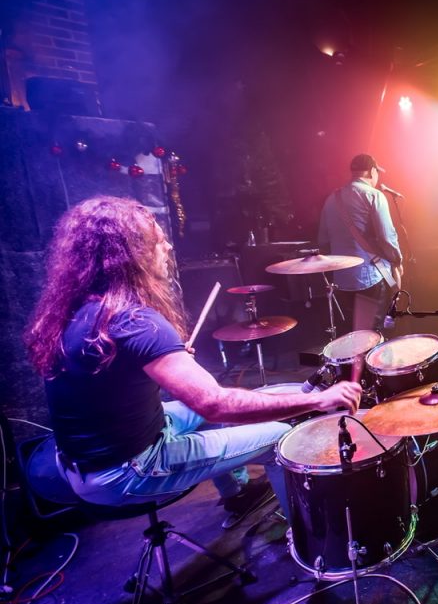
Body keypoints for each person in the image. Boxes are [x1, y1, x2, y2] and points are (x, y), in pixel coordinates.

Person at [24, 197, 362, 528]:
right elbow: (216, 404)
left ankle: (237, 495)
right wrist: (318, 399)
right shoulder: (136, 323)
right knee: (283, 434)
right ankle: (314, 542)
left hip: (84, 463)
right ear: (132, 255)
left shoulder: (77, 312)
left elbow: (113, 385)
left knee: (220, 404)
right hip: (127, 469)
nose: (168, 247)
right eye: (158, 241)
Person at [318, 153, 403, 334]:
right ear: (372, 171)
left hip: (341, 279)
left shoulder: (331, 199)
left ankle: (355, 363)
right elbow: (387, 237)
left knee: (351, 335)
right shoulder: (374, 195)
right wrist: (398, 260)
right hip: (369, 277)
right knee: (374, 334)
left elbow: (323, 240)